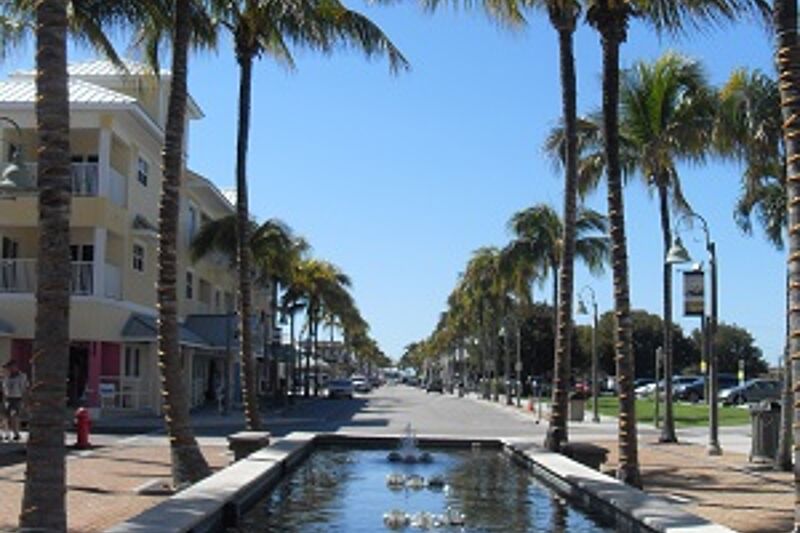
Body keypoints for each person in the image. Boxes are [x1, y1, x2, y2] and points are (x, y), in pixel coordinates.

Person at [2, 360, 28, 441]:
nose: (9, 369)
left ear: (15, 367)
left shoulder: (22, 376)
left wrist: (25, 401)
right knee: (5, 417)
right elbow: (4, 388)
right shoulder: (6, 377)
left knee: (14, 416)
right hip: (7, 398)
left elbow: (24, 389)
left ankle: (16, 433)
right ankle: (7, 433)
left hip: (17, 398)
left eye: (10, 367)